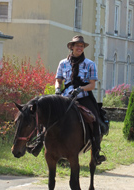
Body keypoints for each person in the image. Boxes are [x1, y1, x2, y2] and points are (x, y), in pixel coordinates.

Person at [55, 35, 106, 165]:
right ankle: (40, 144)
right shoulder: (63, 63)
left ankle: (96, 152)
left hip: (84, 98)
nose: (80, 48)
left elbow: (92, 85)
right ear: (71, 47)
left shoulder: (90, 64)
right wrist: (57, 89)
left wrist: (80, 89)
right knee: (51, 116)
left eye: (82, 46)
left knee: (94, 119)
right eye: (77, 45)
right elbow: (58, 80)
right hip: (65, 97)